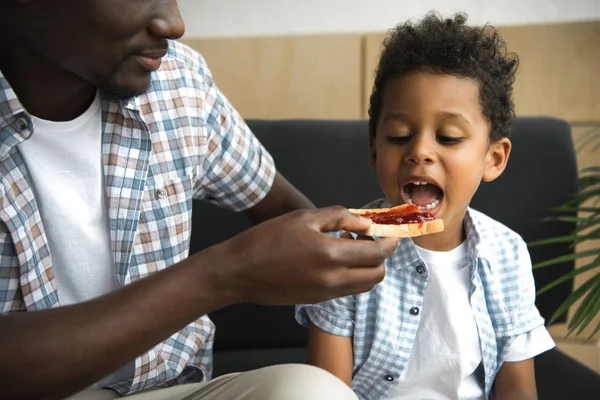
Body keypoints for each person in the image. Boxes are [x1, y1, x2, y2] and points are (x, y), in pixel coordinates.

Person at [0, 1, 400, 399]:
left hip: (170, 390)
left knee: (311, 392)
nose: (174, 23)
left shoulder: (178, 80)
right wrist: (224, 274)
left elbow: (284, 210)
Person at [295, 12, 555, 400]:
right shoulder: (344, 248)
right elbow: (325, 390)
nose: (419, 151)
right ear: (373, 151)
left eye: (448, 138)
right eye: (399, 136)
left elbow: (518, 389)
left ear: (493, 158)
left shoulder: (508, 254)